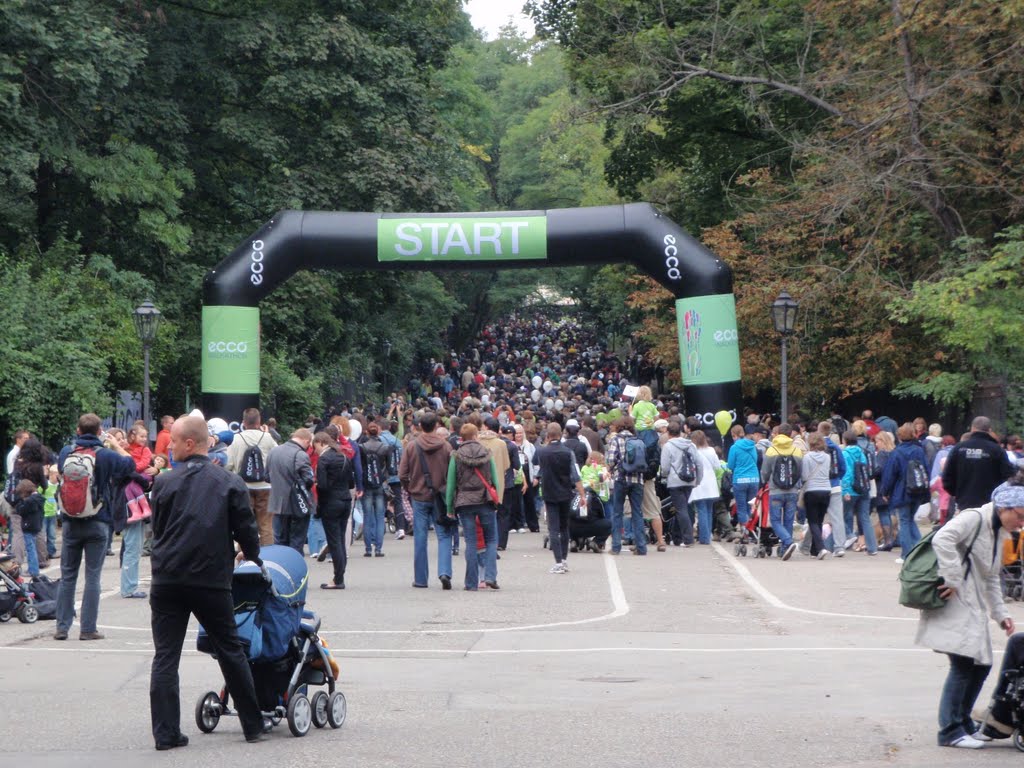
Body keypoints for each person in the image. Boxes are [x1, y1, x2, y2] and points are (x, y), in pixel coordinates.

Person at [148, 414, 267, 750]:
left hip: (168, 578)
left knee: (166, 656)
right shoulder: (228, 481)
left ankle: (166, 733)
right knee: (230, 649)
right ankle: (252, 724)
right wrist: (252, 554)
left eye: (173, 442)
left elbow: (159, 528)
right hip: (210, 578)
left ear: (190, 443)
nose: (168, 448)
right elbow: (246, 529)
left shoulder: (164, 482)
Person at [915, 477, 1022, 749]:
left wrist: (1000, 613)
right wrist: (951, 578)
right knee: (963, 665)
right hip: (954, 600)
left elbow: (991, 576)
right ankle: (949, 730)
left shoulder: (999, 531)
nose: (1021, 523)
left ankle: (962, 721)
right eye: (1020, 516)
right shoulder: (974, 518)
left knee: (980, 664)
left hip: (971, 601)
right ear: (1004, 509)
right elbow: (943, 537)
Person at [54, 414, 135, 641]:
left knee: (68, 575)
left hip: (70, 521)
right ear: (100, 431)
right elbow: (130, 465)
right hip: (98, 520)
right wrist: (117, 445)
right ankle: (88, 629)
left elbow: (61, 473)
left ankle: (62, 627)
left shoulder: (66, 452)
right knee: (92, 576)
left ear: (78, 431)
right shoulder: (107, 455)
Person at [397, 411, 454, 589]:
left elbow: (402, 474)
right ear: (437, 426)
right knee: (444, 535)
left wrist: (410, 488)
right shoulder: (446, 447)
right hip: (440, 496)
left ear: (420, 426)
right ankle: (444, 572)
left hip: (419, 496)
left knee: (420, 537)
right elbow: (452, 473)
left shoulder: (412, 446)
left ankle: (421, 579)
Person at [445, 422, 500, 590]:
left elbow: (451, 483)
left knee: (470, 541)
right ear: (476, 435)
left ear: (461, 437)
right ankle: (490, 576)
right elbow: (494, 479)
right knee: (491, 539)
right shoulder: (486, 453)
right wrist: (496, 498)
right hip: (484, 499)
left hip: (464, 501)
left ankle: (470, 583)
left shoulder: (456, 455)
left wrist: (449, 507)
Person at [534, 423, 587, 574]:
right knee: (564, 527)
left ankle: (557, 562)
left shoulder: (542, 452)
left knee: (553, 528)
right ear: (561, 434)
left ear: (548, 436)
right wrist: (582, 494)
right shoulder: (568, 452)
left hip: (549, 493)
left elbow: (540, 472)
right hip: (565, 493)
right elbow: (575, 475)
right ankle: (564, 559)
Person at [942, 416, 1017, 515]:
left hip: (964, 503)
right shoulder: (997, 450)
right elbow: (1009, 476)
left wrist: (957, 493)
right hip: (990, 504)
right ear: (989, 430)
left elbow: (947, 477)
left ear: (972, 429)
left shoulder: (959, 448)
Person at [226, 408, 277, 546]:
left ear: (243, 422)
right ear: (259, 421)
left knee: (245, 524)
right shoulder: (267, 438)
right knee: (266, 526)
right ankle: (268, 557)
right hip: (266, 487)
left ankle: (245, 557)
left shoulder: (237, 438)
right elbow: (276, 458)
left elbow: (228, 464)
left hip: (243, 487)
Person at [880, 423, 930, 563]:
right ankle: (922, 549)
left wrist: (885, 491)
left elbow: (890, 475)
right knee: (910, 520)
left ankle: (906, 554)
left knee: (904, 521)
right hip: (918, 491)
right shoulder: (919, 450)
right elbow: (927, 470)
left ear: (900, 436)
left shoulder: (897, 452)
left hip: (901, 491)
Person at [314, 431, 354, 589]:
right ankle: (340, 575)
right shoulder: (344, 456)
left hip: (330, 503)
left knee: (334, 541)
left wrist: (317, 485)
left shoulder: (323, 460)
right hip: (345, 500)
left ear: (322, 443)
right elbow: (351, 483)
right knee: (341, 540)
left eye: (315, 446)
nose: (315, 450)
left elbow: (322, 486)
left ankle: (338, 579)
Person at [266, 428, 315, 553]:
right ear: (306, 440)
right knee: (297, 540)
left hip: (277, 503)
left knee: (280, 540)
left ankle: (282, 566)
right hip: (298, 504)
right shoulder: (301, 455)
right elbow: (308, 479)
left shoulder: (273, 452)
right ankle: (295, 567)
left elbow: (266, 477)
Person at [760, 422, 803, 560]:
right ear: (791, 434)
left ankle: (788, 541)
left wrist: (765, 481)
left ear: (778, 433)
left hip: (776, 491)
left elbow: (765, 472)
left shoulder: (771, 450)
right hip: (792, 490)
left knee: (775, 520)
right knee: (789, 520)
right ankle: (785, 547)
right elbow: (800, 471)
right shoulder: (796, 450)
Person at [605, 416, 647, 555]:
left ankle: (616, 547)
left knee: (617, 512)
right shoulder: (639, 440)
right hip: (638, 480)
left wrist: (611, 469)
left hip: (621, 479)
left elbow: (611, 460)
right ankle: (641, 547)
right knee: (637, 513)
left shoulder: (616, 440)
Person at [659, 420, 702, 548]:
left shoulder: (667, 446)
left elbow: (665, 467)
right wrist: (697, 480)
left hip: (675, 481)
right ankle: (677, 537)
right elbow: (699, 464)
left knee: (680, 509)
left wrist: (665, 476)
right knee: (683, 509)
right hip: (690, 480)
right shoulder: (691, 445)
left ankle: (688, 539)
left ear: (668, 433)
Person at [841, 430, 877, 555]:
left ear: (844, 441)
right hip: (863, 489)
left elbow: (847, 474)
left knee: (843, 515)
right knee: (865, 518)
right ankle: (872, 547)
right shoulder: (862, 453)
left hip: (851, 490)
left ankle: (848, 537)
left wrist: (845, 490)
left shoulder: (845, 454)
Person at [359, 422, 392, 558]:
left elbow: (360, 467)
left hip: (366, 484)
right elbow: (390, 468)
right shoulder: (385, 448)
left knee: (367, 516)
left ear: (367, 432)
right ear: (378, 432)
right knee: (379, 517)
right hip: (380, 483)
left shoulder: (362, 448)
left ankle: (367, 548)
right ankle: (378, 548)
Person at [800, 433, 833, 559]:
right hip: (826, 490)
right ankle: (815, 551)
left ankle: (821, 547)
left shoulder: (807, 457)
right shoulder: (827, 457)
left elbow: (804, 476)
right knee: (819, 520)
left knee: (812, 521)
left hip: (812, 490)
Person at [689, 430, 721, 545]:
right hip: (711, 483)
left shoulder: (694, 451)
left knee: (701, 510)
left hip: (699, 483)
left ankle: (704, 537)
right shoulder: (711, 451)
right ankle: (707, 535)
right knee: (709, 510)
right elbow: (717, 466)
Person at [727, 424, 760, 527]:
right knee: (751, 506)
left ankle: (744, 533)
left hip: (740, 479)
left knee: (741, 507)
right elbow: (755, 460)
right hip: (754, 479)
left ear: (734, 435)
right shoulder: (752, 446)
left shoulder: (734, 447)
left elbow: (730, 465)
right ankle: (751, 530)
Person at [14, 479, 44, 577]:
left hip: (29, 526)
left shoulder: (29, 501)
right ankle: (33, 569)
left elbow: (21, 511)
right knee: (32, 548)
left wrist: (20, 503)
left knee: (30, 549)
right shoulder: (39, 498)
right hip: (36, 525)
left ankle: (33, 570)